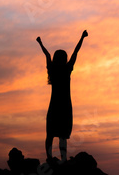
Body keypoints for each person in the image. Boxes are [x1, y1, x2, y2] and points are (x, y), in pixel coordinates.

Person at [36, 30, 88, 163]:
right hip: (64, 105)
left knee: (51, 134)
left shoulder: (52, 69)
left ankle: (50, 158)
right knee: (62, 136)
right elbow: (76, 52)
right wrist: (82, 37)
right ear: (64, 59)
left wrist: (40, 43)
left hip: (55, 105)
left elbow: (47, 54)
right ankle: (63, 159)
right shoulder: (66, 69)